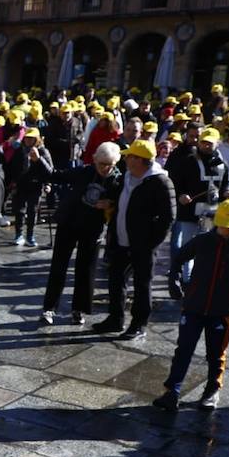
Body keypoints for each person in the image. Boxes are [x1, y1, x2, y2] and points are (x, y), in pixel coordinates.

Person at [153, 198, 229, 413]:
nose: (225, 230)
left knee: (216, 353)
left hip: (220, 310)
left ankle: (212, 390)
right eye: (222, 224)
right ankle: (172, 391)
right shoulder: (203, 240)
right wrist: (174, 282)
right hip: (194, 305)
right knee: (183, 349)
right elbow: (178, 259)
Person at [92, 139, 175, 342]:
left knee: (142, 284)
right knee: (115, 279)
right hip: (121, 239)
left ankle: (139, 324)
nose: (126, 158)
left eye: (130, 156)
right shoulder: (128, 175)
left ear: (140, 160)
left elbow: (168, 218)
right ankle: (115, 318)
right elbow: (119, 198)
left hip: (143, 245)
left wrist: (150, 242)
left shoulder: (161, 182)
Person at [40, 141, 121, 325]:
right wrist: (40, 160)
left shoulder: (117, 179)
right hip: (69, 222)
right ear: (94, 160)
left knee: (86, 269)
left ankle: (79, 309)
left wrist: (110, 203)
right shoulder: (84, 171)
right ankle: (49, 308)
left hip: (93, 228)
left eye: (110, 164)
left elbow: (123, 199)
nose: (105, 168)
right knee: (59, 266)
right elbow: (55, 175)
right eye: (102, 164)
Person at [167, 128, 229, 286]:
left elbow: (225, 183)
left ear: (217, 144)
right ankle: (188, 280)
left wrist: (227, 191)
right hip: (189, 212)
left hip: (212, 213)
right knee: (189, 245)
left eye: (210, 143)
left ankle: (203, 277)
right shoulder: (188, 161)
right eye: (203, 142)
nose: (206, 146)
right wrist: (181, 195)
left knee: (208, 246)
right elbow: (174, 181)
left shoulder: (222, 164)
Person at [6, 127, 53, 247]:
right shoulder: (20, 150)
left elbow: (49, 171)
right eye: (27, 138)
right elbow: (13, 167)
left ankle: (30, 236)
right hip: (21, 184)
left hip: (36, 184)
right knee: (19, 211)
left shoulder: (43, 151)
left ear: (36, 139)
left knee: (32, 211)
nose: (28, 140)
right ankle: (18, 234)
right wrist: (12, 181)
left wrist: (48, 184)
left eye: (31, 138)